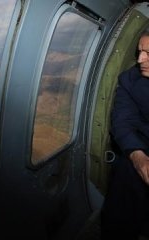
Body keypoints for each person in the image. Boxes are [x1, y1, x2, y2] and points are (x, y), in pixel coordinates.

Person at [101, 28, 149, 240]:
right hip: (144, 145)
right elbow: (123, 123)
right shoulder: (129, 80)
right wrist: (138, 158)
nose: (140, 59)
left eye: (148, 53)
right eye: (139, 51)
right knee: (125, 171)